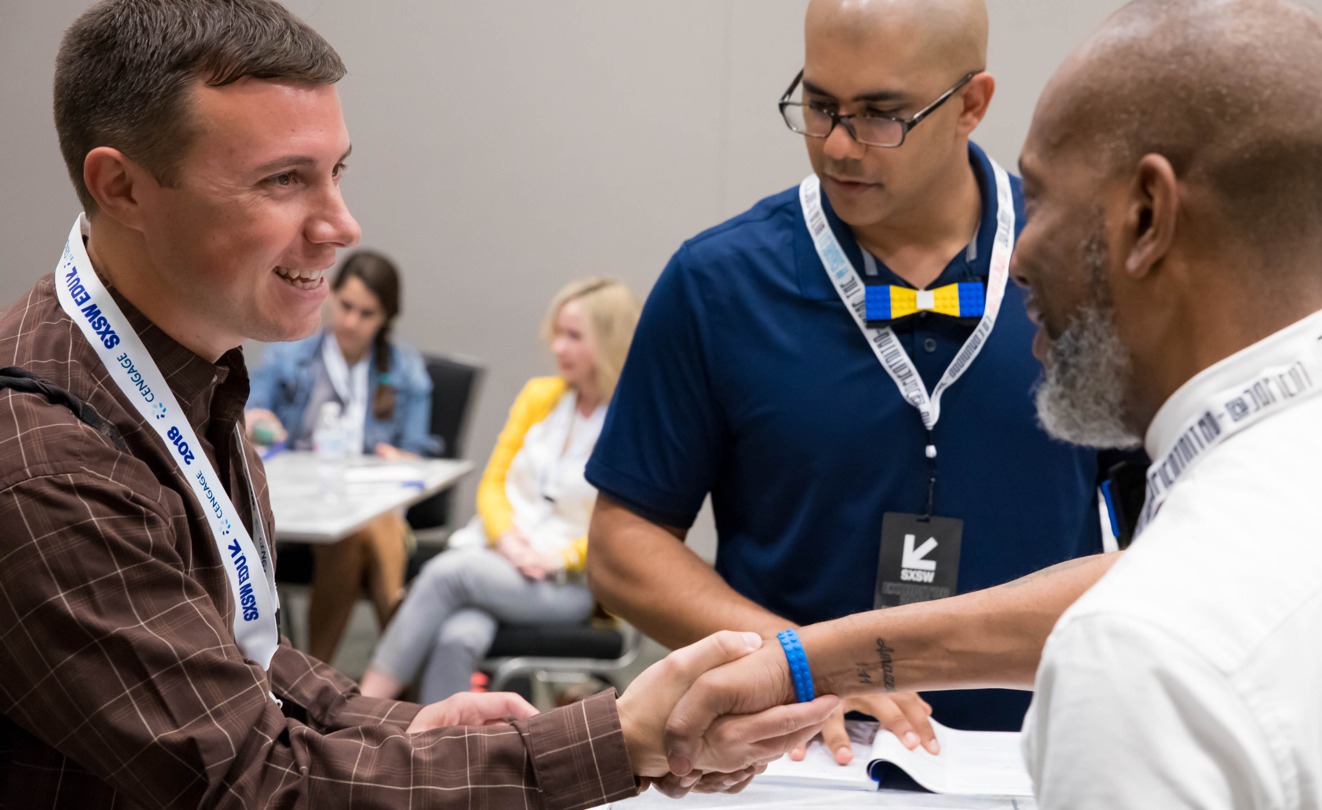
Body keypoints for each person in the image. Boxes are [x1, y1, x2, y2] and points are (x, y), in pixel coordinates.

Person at [0, 0, 835, 805]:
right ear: (123, 189)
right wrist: (623, 740)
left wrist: (404, 727)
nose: (342, 224)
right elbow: (258, 784)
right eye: (283, 180)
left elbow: (241, 663)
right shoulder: (48, 465)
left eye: (337, 171)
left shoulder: (186, 377)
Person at [663, 0, 1322, 806]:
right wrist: (810, 661)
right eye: (820, 106)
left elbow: (1156, 596)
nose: (1019, 256)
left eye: (1041, 196)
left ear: (1147, 216)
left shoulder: (1134, 655)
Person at [585, 0, 1119, 759]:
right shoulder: (718, 282)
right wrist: (804, 664)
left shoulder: (1083, 266)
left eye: (879, 114)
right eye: (819, 104)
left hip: (1038, 755)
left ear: (972, 103)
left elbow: (1170, 532)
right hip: (789, 759)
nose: (837, 144)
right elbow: (622, 544)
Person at [360, 278, 641, 703]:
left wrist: (555, 557)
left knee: (446, 573)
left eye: (574, 337)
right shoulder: (539, 397)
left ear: (609, 340)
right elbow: (494, 484)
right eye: (558, 334)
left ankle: (365, 710)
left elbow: (625, 527)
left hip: (568, 583)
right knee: (458, 636)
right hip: (502, 557)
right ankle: (442, 754)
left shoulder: (632, 424)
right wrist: (508, 541)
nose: (558, 347)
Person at [246, 249, 439, 662]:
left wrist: (401, 457)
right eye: (346, 306)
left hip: (370, 502)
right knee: (362, 530)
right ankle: (400, 659)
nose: (351, 322)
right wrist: (261, 422)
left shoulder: (405, 370)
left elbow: (419, 453)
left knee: (358, 530)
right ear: (330, 295)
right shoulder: (291, 353)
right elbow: (252, 413)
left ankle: (319, 669)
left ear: (386, 318)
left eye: (366, 313)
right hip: (303, 505)